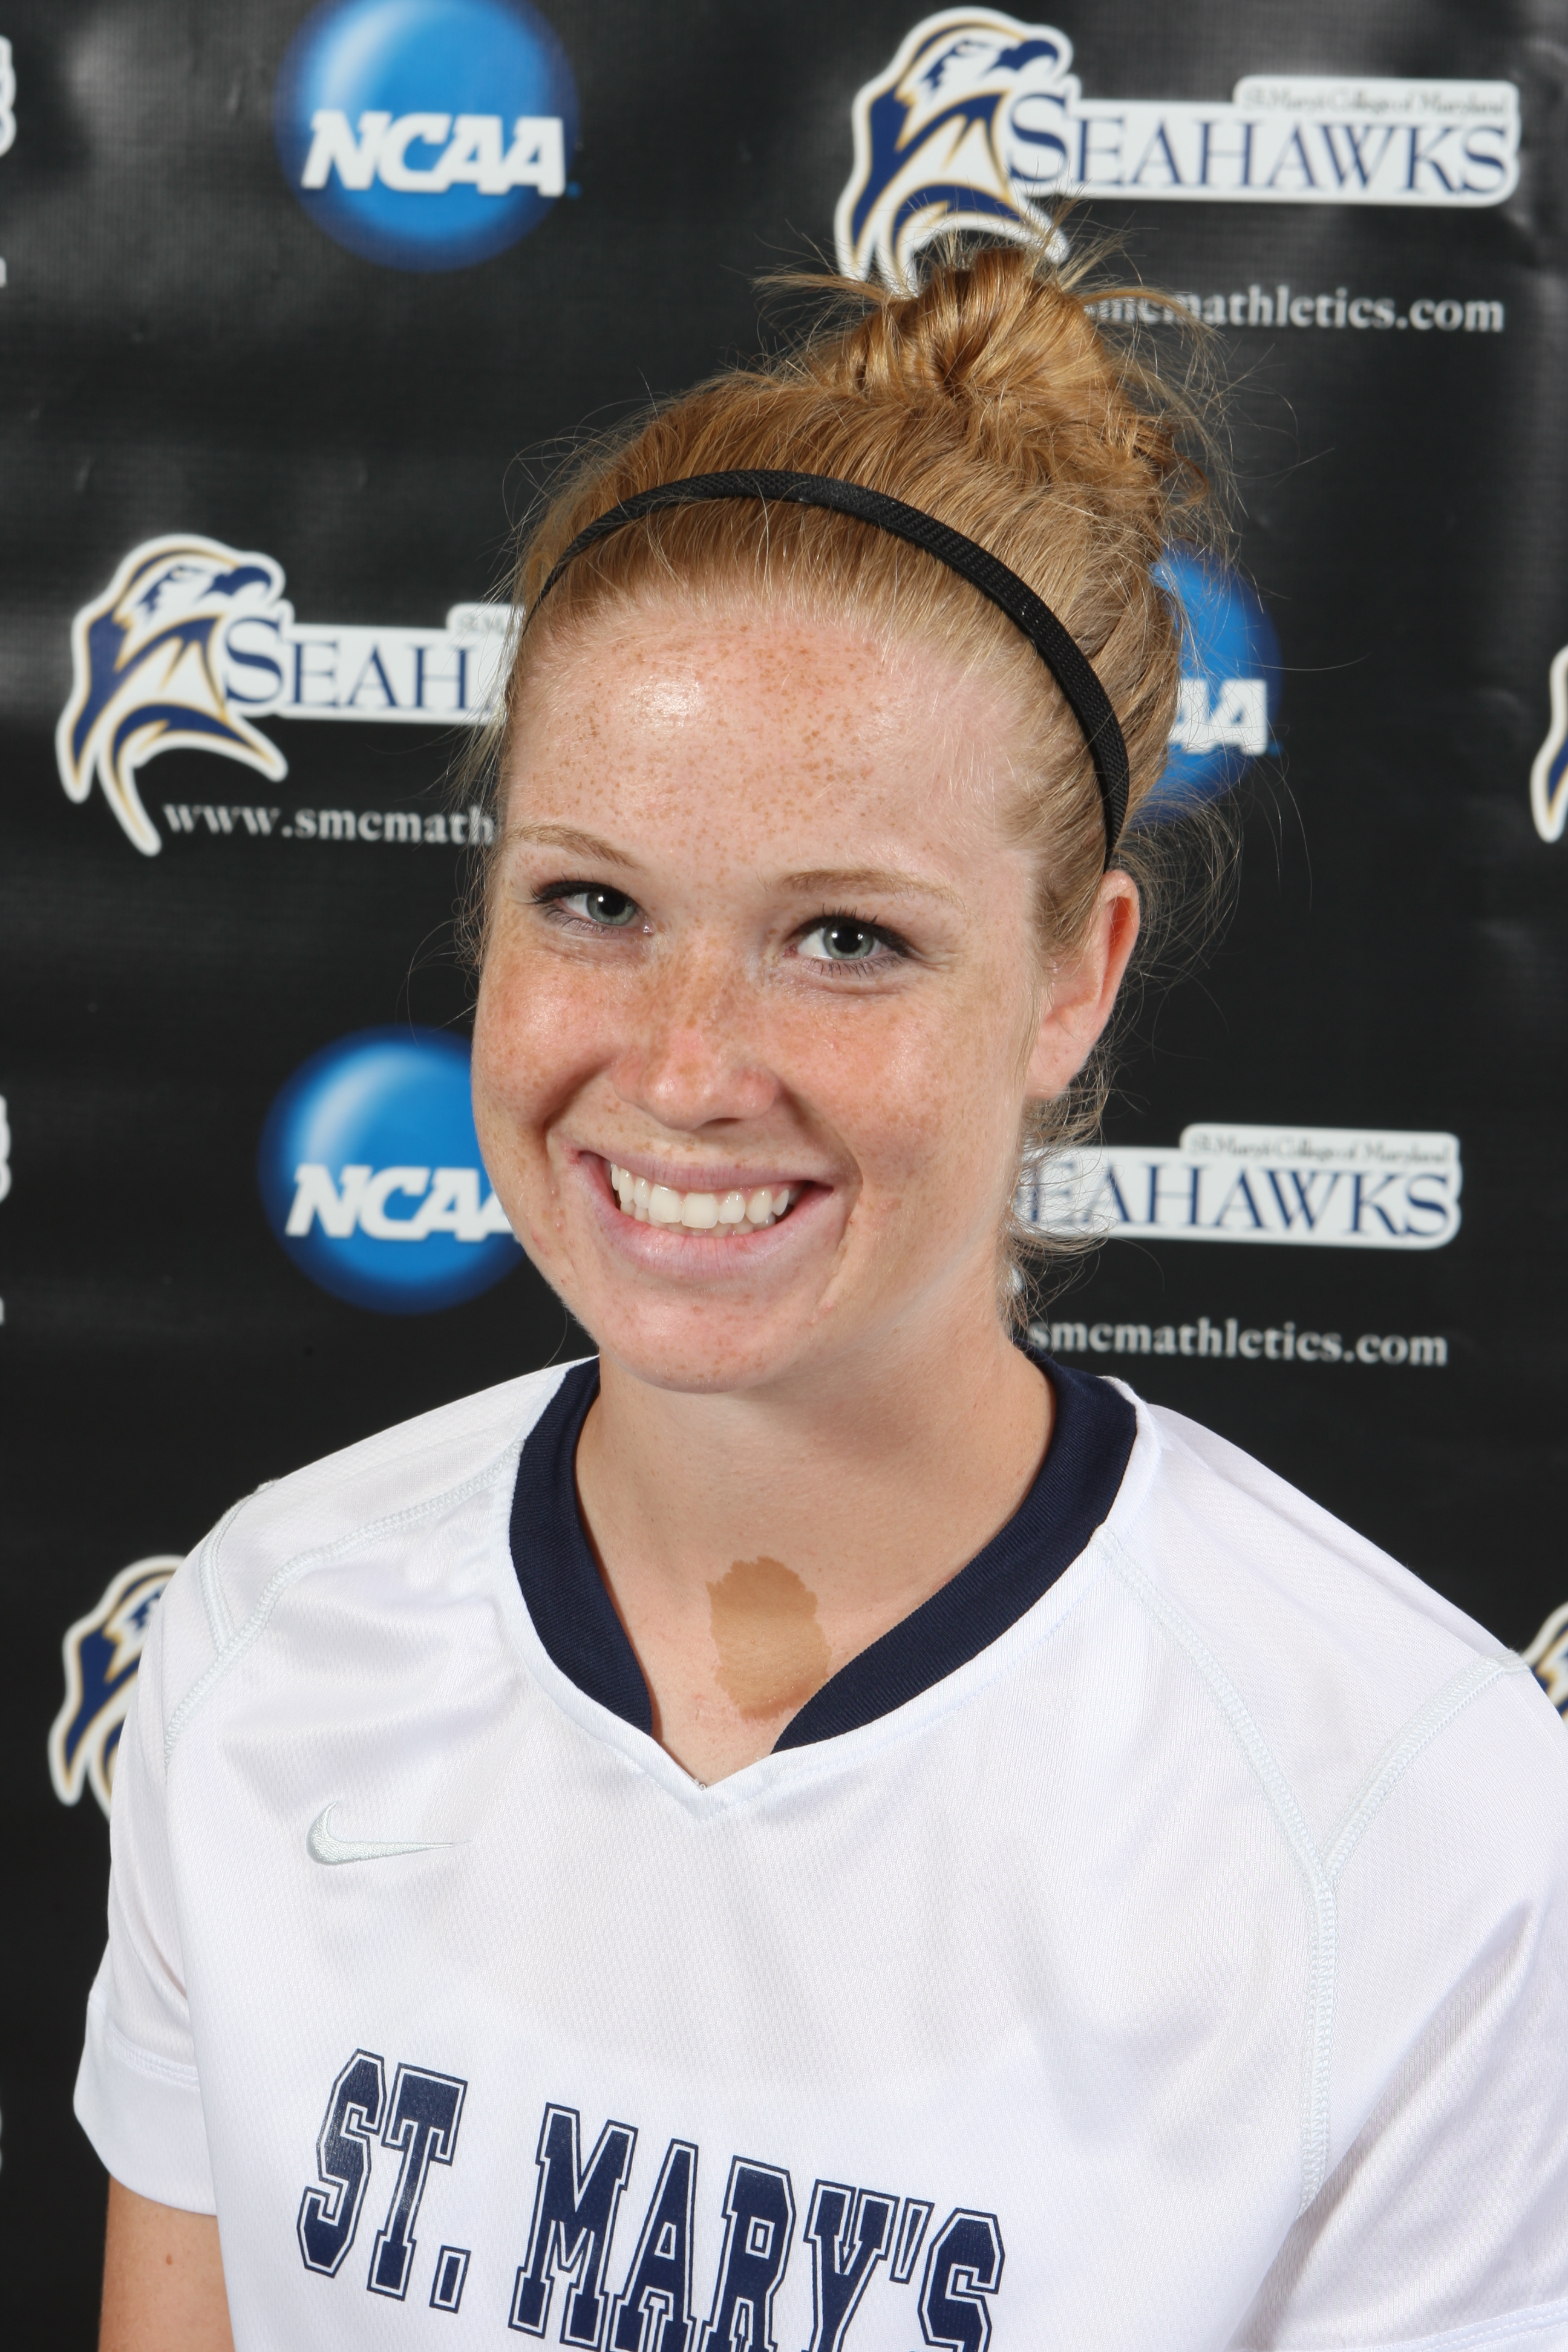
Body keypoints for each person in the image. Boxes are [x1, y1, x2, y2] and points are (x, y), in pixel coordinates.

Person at [84, 241, 1568, 2352]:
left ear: (1074, 979)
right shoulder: (264, 1633)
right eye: (594, 902)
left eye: (846, 939)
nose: (689, 1068)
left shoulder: (1414, 1826)